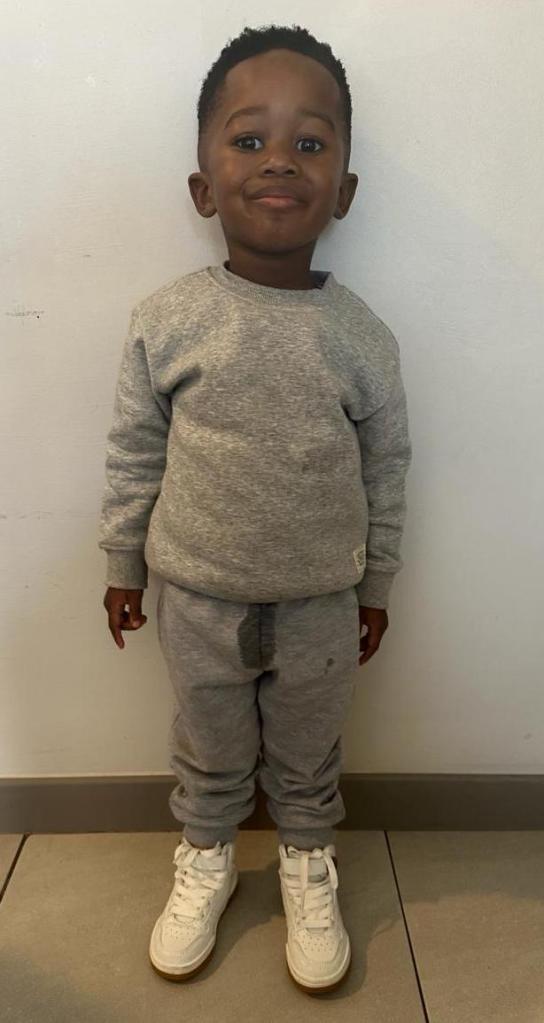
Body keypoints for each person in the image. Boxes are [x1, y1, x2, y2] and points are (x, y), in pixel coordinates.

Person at [98, 23, 412, 995]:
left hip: (321, 603)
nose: (279, 159)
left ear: (342, 190)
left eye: (309, 142)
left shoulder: (361, 337)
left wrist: (375, 583)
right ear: (204, 187)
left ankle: (306, 861)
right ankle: (206, 854)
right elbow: (135, 452)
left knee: (309, 752)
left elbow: (387, 467)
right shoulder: (166, 321)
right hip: (196, 600)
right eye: (248, 139)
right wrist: (120, 562)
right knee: (210, 743)